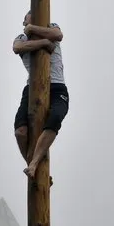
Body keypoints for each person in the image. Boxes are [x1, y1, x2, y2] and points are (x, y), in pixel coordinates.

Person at [12, 11, 69, 180]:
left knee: (54, 119)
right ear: (24, 22)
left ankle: (34, 164)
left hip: (57, 87)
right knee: (20, 132)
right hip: (31, 88)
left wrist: (33, 28)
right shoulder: (22, 38)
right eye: (28, 15)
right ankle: (32, 165)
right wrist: (44, 42)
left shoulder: (51, 27)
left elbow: (58, 35)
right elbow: (17, 48)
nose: (32, 13)